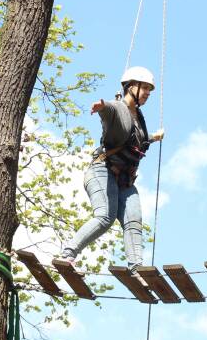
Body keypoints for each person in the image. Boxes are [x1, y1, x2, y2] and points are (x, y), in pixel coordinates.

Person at [58, 66, 164, 275]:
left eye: (150, 91)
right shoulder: (118, 108)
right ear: (131, 86)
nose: (148, 94)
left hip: (124, 180)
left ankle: (137, 269)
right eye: (146, 89)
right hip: (102, 172)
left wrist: (154, 137)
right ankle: (67, 254)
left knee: (133, 221)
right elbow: (110, 111)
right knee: (105, 217)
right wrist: (102, 106)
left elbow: (137, 141)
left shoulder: (138, 117)